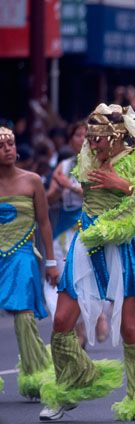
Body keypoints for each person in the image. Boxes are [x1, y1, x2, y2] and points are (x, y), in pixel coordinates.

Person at [38, 104, 135, 421]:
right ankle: (70, 387)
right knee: (61, 323)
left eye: (98, 138)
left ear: (117, 136)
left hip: (122, 246)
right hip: (86, 243)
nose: (92, 143)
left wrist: (122, 184)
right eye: (89, 137)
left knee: (130, 328)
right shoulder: (85, 156)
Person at [0, 126, 58, 399]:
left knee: (23, 316)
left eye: (10, 144)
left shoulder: (32, 180)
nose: (8, 149)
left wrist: (51, 262)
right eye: (2, 146)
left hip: (23, 252)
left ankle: (39, 374)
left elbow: (44, 222)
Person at [45, 120, 109, 349]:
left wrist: (70, 186)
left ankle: (98, 315)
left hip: (90, 229)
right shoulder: (63, 166)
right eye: (77, 134)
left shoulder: (99, 164)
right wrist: (57, 188)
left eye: (86, 135)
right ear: (70, 139)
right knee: (68, 282)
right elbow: (50, 199)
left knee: (91, 279)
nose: (82, 139)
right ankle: (77, 329)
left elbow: (98, 196)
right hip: (65, 230)